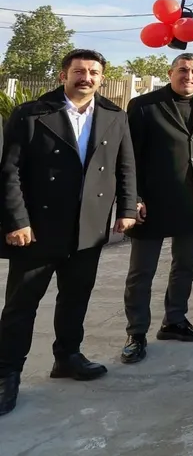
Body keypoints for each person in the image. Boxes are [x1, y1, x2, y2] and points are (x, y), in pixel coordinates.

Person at [0, 50, 137, 417]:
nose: (86, 77)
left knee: (76, 298)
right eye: (79, 71)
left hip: (88, 229)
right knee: (20, 306)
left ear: (102, 78)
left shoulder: (114, 116)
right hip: (38, 230)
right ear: (64, 75)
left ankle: (68, 357)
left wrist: (126, 209)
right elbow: (9, 172)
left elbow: (126, 168)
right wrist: (17, 221)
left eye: (93, 72)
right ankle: (6, 373)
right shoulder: (30, 114)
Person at [120, 53, 193, 365]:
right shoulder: (144, 105)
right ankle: (136, 333)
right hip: (150, 203)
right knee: (142, 272)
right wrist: (133, 198)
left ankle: (174, 321)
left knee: (185, 267)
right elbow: (129, 156)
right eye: (182, 70)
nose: (188, 76)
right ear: (170, 72)